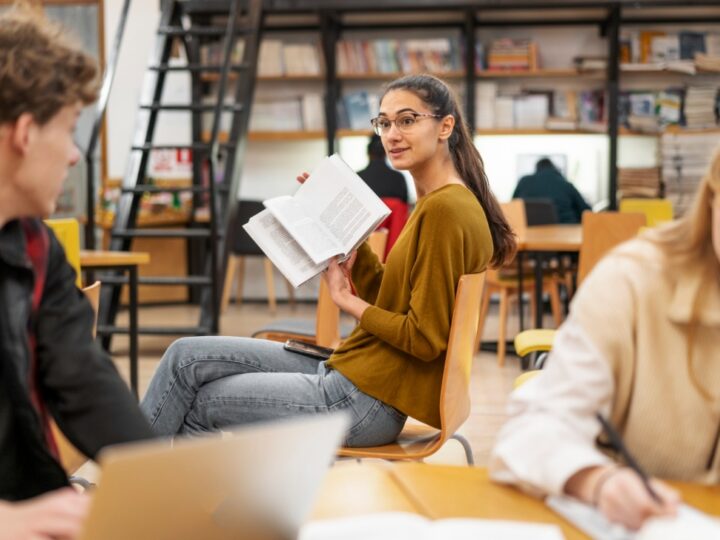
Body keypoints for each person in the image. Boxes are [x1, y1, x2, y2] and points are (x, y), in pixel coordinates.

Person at [140, 74, 515, 445]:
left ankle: (134, 494)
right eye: (384, 123)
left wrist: (347, 301)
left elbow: (423, 338)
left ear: (445, 125)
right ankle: (144, 493)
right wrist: (349, 242)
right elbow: (393, 298)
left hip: (365, 400)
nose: (391, 134)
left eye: (407, 120)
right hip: (358, 373)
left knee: (204, 401)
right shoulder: (438, 201)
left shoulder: (445, 210)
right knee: (185, 356)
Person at [490, 148, 720, 530]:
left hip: (526, 262)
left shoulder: (525, 184)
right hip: (659, 521)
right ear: (710, 198)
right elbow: (587, 211)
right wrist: (597, 480)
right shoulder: (632, 280)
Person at [0, 4, 154, 535]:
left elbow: (85, 385)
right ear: (24, 132)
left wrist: (180, 491)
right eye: (68, 130)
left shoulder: (35, 247)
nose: (73, 156)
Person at [512, 157, 591, 223]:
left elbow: (512, 206)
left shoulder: (524, 181)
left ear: (537, 169)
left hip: (530, 235)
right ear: (554, 168)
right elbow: (586, 211)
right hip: (566, 234)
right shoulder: (565, 184)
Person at [357, 133, 409, 203]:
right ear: (385, 154)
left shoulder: (358, 178)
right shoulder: (398, 178)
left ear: (368, 154)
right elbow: (405, 205)